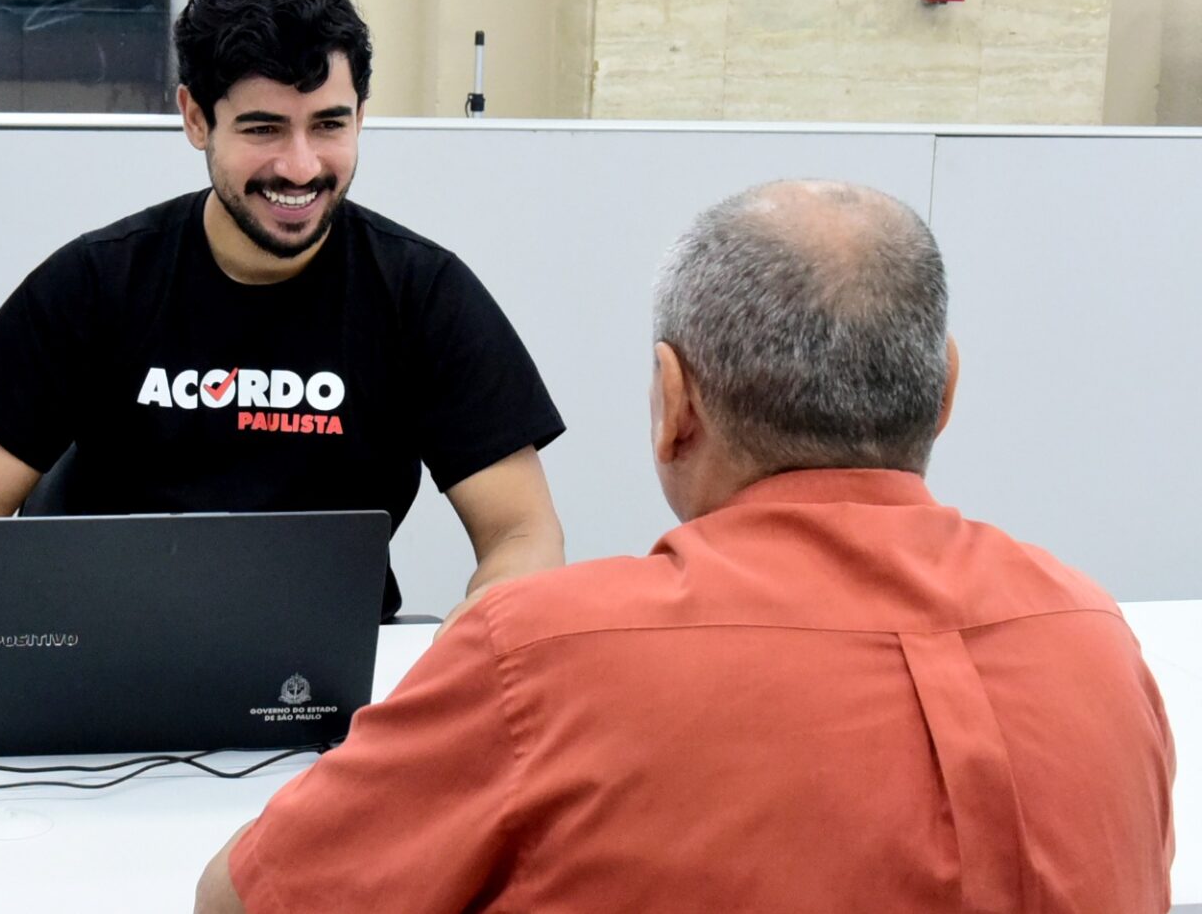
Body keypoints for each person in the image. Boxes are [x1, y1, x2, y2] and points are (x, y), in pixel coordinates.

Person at [196, 180, 1176, 913]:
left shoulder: (546, 655)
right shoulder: (1095, 641)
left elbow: (243, 898)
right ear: (946, 391)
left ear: (674, 402)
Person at [0, 0, 566, 693]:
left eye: (329, 124)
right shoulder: (98, 281)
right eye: (263, 129)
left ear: (361, 113)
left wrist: (489, 614)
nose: (300, 167)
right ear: (196, 117)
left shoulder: (425, 296)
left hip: (324, 687)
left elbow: (522, 530)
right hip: (94, 674)